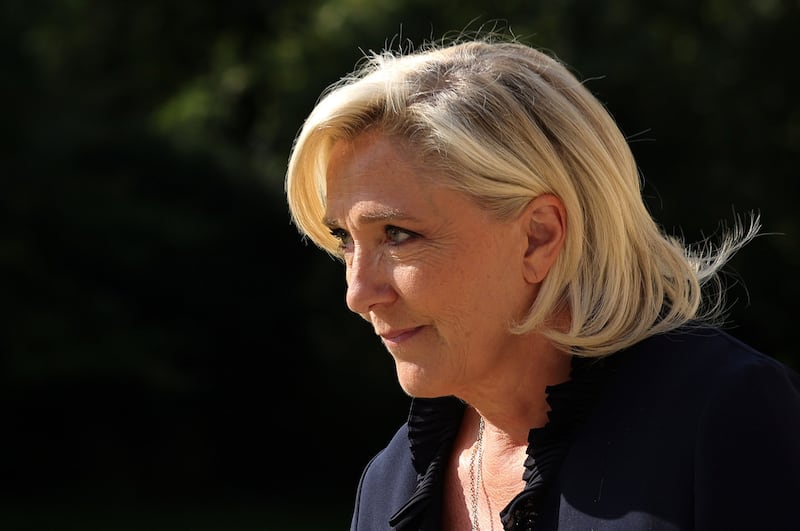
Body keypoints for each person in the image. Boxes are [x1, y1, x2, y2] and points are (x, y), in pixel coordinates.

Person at [285, 33, 800, 531]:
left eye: (397, 234)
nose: (358, 294)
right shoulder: (389, 485)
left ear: (538, 237)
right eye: (345, 239)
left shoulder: (725, 418)